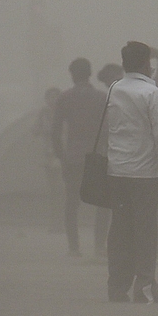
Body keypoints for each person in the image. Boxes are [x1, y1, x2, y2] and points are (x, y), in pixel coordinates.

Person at [106, 41, 158, 304]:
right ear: (144, 63)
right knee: (145, 231)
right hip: (145, 174)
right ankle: (145, 286)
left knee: (120, 230)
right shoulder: (151, 92)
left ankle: (117, 286)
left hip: (116, 170)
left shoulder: (114, 89)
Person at [52, 58, 107, 257]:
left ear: (72, 75)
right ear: (90, 74)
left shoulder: (65, 98)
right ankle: (99, 245)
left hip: (73, 158)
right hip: (97, 157)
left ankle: (74, 247)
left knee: (72, 203)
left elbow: (55, 132)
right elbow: (109, 129)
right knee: (102, 203)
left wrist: (61, 156)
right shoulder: (102, 98)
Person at [89, 64, 125, 255]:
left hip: (111, 155)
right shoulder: (107, 101)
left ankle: (103, 245)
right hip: (113, 156)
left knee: (107, 206)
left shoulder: (106, 100)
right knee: (110, 206)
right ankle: (104, 245)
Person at [33, 87, 64, 233]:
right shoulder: (43, 113)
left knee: (62, 189)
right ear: (46, 99)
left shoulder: (66, 113)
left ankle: (62, 222)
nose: (53, 100)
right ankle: (54, 222)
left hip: (63, 155)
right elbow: (35, 130)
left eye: (56, 97)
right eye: (51, 97)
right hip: (48, 156)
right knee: (53, 189)